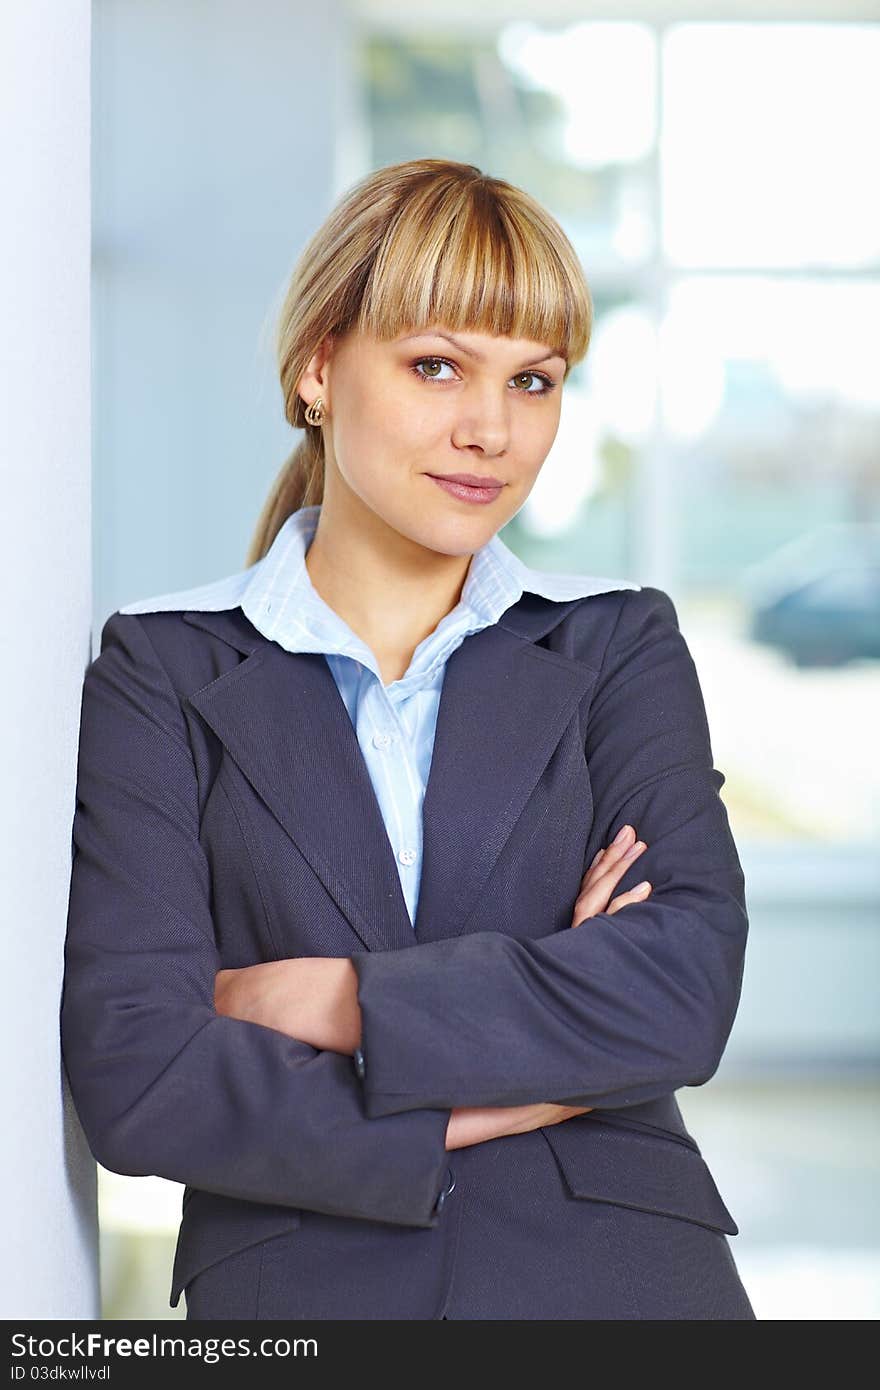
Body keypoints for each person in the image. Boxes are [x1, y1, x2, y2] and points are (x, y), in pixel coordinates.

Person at [60, 158, 756, 1320]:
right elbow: (142, 1076)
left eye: (533, 381)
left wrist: (331, 1000)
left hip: (625, 1280)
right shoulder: (163, 670)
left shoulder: (612, 646)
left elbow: (681, 987)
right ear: (318, 366)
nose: (490, 429)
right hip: (301, 1290)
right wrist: (516, 1084)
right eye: (437, 366)